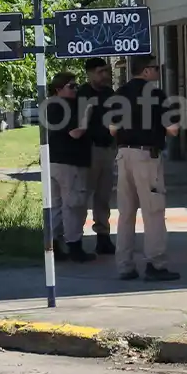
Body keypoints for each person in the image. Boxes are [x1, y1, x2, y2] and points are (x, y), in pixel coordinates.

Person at [106, 54, 181, 281]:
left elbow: (111, 128)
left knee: (126, 213)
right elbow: (173, 129)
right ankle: (156, 264)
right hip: (146, 156)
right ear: (146, 71)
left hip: (123, 155)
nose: (158, 71)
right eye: (155, 68)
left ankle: (125, 266)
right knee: (153, 211)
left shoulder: (119, 95)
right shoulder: (156, 95)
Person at [45, 71, 96, 263]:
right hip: (69, 163)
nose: (76, 89)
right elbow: (75, 132)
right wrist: (87, 113)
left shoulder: (50, 105)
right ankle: (74, 245)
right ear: (58, 89)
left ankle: (55, 245)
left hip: (55, 161)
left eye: (76, 86)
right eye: (71, 86)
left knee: (57, 206)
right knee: (73, 205)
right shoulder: (62, 107)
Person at [77, 57, 117, 255]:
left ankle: (103, 237)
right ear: (90, 73)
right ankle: (75, 239)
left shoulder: (110, 94)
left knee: (103, 196)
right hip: (89, 150)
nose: (104, 75)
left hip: (108, 150)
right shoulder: (82, 94)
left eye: (106, 71)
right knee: (83, 195)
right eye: (100, 71)